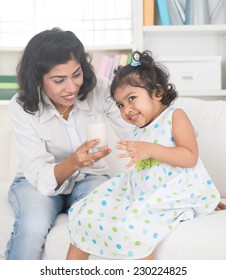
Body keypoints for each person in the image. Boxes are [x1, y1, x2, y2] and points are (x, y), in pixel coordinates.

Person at [66, 50, 221, 260]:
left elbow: (189, 156)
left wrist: (150, 150)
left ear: (157, 93)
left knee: (134, 227)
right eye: (120, 104)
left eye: (131, 99)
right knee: (86, 213)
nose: (126, 110)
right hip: (141, 189)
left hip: (173, 188)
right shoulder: (139, 129)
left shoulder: (175, 116)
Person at [5, 27, 133, 260]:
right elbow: (38, 172)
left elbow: (137, 134)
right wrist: (74, 161)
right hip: (36, 183)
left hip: (90, 176)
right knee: (32, 226)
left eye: (76, 74)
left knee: (103, 219)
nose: (72, 87)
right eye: (59, 80)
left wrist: (189, 187)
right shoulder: (21, 106)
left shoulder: (101, 89)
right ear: (38, 80)